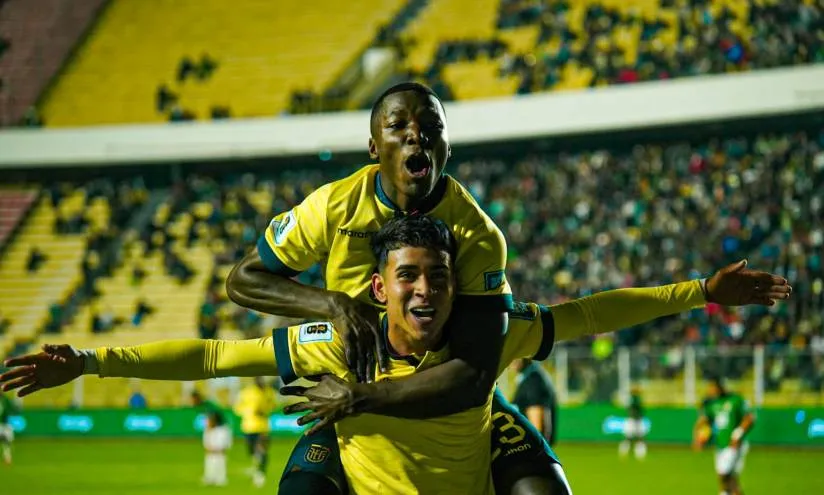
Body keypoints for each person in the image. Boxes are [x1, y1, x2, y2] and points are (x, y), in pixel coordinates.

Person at [226, 81, 791, 494]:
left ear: (446, 147)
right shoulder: (332, 206)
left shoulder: (475, 234)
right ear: (375, 147)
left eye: (431, 126)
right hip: (362, 409)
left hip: (440, 406)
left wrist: (700, 290)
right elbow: (241, 285)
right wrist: (330, 304)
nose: (416, 134)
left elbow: (477, 374)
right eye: (398, 126)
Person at [0, 215, 790, 494]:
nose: (424, 291)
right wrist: (94, 359)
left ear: (455, 287)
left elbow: (591, 313)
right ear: (378, 287)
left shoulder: (489, 335)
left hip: (470, 471)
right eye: (407, 275)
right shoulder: (334, 341)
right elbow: (213, 356)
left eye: (437, 277)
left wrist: (701, 290)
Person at [693, 377, 755, 495]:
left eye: (712, 388)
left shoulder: (735, 400)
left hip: (734, 444)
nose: (710, 391)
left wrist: (738, 434)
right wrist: (699, 437)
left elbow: (749, 418)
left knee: (724, 472)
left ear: (720, 388)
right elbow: (703, 421)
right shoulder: (711, 404)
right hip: (720, 444)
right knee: (729, 478)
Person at [233, 377, 276, 487]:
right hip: (248, 426)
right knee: (252, 452)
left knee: (262, 450)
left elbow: (273, 405)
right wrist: (247, 411)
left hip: (263, 427)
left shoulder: (269, 392)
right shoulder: (246, 392)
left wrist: (265, 409)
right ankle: (257, 469)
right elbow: (237, 407)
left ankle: (260, 474)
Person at [511, 358, 558, 446]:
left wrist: (534, 448)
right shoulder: (531, 376)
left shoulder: (533, 379)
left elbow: (536, 421)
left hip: (529, 446)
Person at [202, 409, 232, 486]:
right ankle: (209, 477)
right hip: (211, 453)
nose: (208, 421)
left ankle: (220, 479)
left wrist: (216, 449)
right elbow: (206, 443)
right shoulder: (208, 430)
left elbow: (224, 445)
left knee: (218, 461)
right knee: (209, 462)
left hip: (219, 454)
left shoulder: (223, 430)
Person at [619, 387, 647, 459]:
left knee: (630, 437)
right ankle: (639, 454)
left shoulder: (631, 399)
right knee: (638, 438)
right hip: (634, 420)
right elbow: (635, 409)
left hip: (632, 419)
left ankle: (624, 452)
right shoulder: (635, 399)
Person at [0, 391, 17, 464]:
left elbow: (12, 410)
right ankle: (7, 458)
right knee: (6, 442)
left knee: (7, 443)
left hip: (5, 425)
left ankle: (7, 458)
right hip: (3, 425)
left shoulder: (6, 400)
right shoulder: (5, 400)